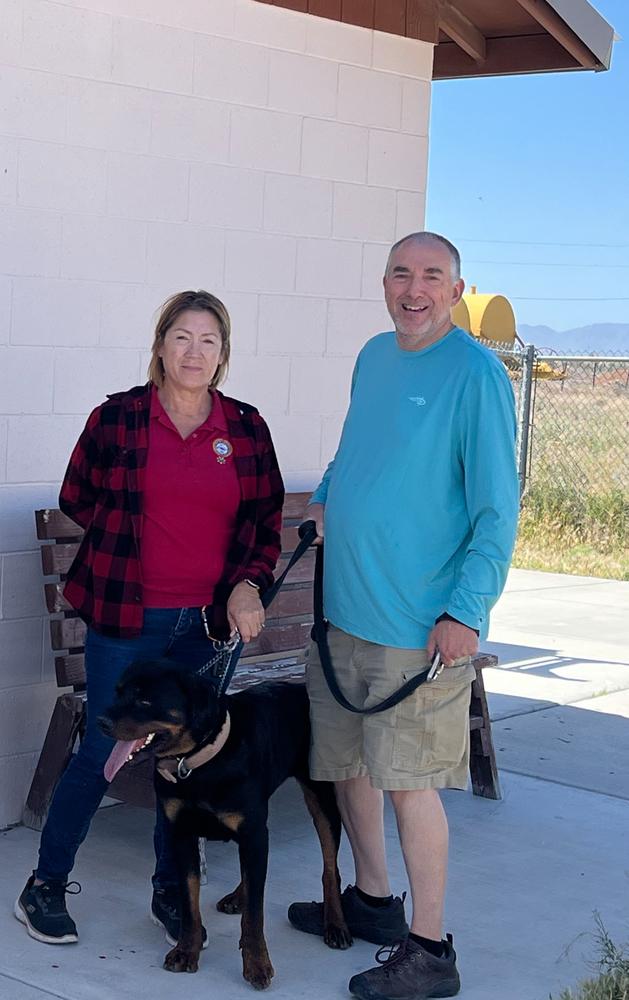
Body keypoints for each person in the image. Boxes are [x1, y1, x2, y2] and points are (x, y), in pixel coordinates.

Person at [287, 232, 520, 999]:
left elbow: (496, 507)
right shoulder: (372, 356)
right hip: (345, 613)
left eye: (431, 277)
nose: (412, 289)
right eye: (399, 274)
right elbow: (354, 448)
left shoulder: (476, 375)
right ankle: (373, 901)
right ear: (383, 283)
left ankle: (429, 949)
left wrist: (466, 608)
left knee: (409, 784)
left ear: (456, 290)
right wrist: (326, 495)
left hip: (418, 627)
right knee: (350, 766)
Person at [15, 290, 284, 946]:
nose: (194, 352)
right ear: (160, 345)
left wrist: (247, 584)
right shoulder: (118, 418)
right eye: (182, 338)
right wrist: (129, 538)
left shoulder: (244, 428)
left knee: (180, 758)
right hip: (127, 616)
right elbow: (75, 495)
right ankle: (45, 884)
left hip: (204, 627)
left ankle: (170, 889)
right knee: (103, 752)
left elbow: (263, 521)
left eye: (208, 341)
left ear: (224, 355)